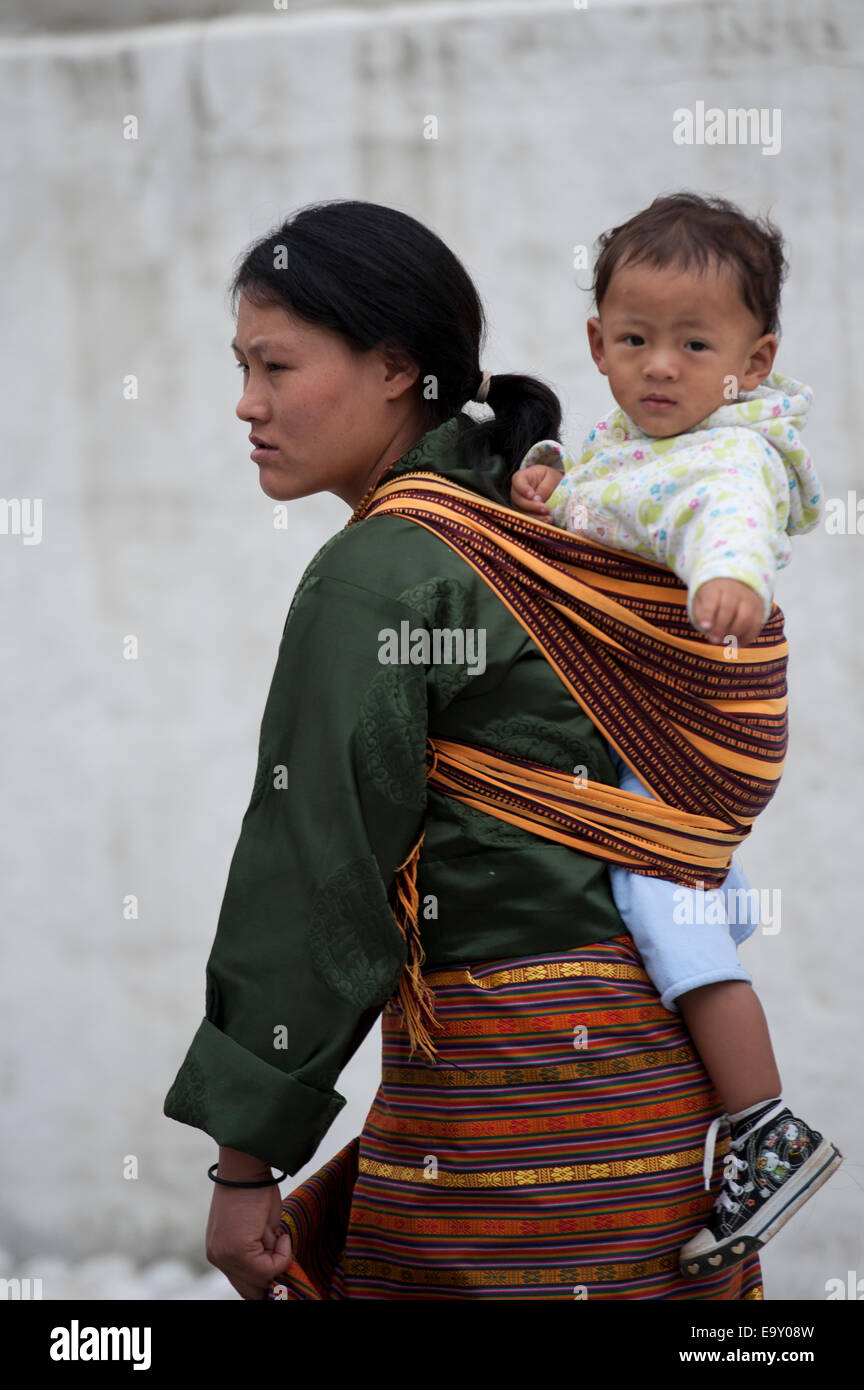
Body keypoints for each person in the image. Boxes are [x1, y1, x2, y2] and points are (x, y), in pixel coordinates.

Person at [164, 198, 768, 1301]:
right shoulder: (550, 519)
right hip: (655, 1089)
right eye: (240, 368)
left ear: (395, 366)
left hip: (505, 1109)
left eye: (276, 366)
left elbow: (316, 872)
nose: (247, 405)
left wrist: (244, 1160)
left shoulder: (385, 570)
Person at [510, 192, 842, 1277]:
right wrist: (551, 491)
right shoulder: (630, 444)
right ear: (596, 344)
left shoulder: (726, 456)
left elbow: (726, 522)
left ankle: (765, 1126)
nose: (661, 366)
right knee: (680, 909)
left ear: (754, 359)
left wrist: (731, 582)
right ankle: (711, 1128)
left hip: (676, 737)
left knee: (669, 911)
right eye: (636, 339)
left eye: (695, 345)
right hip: (644, 736)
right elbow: (605, 514)